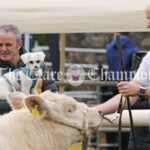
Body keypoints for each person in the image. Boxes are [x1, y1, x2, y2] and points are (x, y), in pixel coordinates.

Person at [0, 24, 58, 114]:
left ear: (19, 44)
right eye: (0, 45)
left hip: (35, 123)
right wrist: (25, 103)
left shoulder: (39, 65)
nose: (3, 49)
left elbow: (53, 95)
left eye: (8, 44)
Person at [104, 32, 139, 150]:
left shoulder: (109, 48)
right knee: (126, 122)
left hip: (115, 86)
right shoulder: (132, 46)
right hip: (129, 87)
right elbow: (134, 65)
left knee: (114, 120)